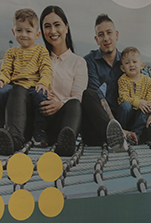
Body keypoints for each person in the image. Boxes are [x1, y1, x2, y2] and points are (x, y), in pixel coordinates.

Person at [82, 14, 151, 150]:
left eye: (109, 33)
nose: (106, 38)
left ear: (116, 35)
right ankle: (118, 135)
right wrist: (117, 127)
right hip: (103, 123)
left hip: (129, 119)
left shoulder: (128, 60)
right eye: (101, 34)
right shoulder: (89, 61)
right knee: (88, 94)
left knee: (147, 106)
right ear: (96, 40)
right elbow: (97, 95)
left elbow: (149, 86)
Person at [0, 8, 52, 152]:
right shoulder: (11, 52)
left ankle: (39, 130)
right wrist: (1, 80)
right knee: (0, 92)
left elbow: (46, 69)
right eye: (19, 30)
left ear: (37, 34)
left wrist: (43, 83)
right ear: (13, 32)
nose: (23, 35)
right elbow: (5, 70)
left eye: (28, 31)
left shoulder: (41, 51)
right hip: (14, 87)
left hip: (33, 87)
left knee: (41, 96)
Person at [37, 5, 87, 156]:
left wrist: (60, 104)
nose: (52, 31)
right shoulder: (38, 59)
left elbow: (78, 96)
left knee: (74, 103)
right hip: (40, 120)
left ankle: (66, 142)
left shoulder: (78, 62)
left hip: (63, 119)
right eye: (47, 26)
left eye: (57, 25)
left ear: (66, 27)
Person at [116, 46, 151, 141]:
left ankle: (136, 135)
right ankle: (121, 132)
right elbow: (123, 97)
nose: (131, 65)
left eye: (134, 62)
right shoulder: (122, 80)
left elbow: (150, 97)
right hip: (127, 115)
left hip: (140, 115)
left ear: (142, 65)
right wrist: (138, 103)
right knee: (125, 106)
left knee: (147, 109)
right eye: (127, 63)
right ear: (123, 68)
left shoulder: (148, 81)